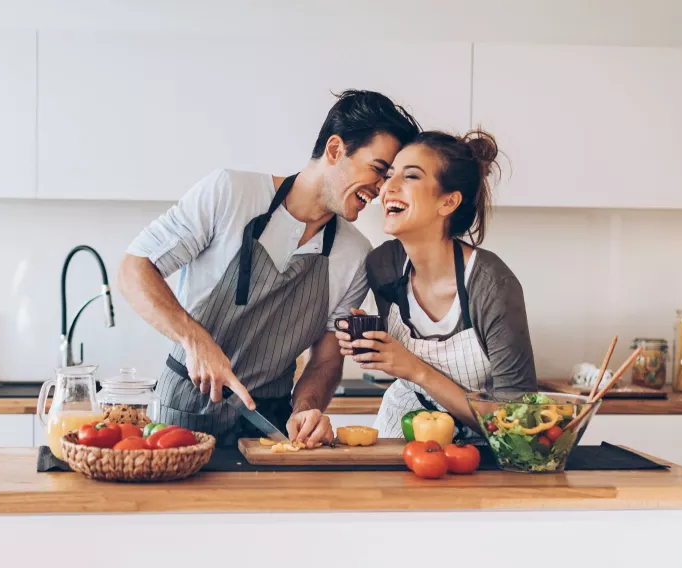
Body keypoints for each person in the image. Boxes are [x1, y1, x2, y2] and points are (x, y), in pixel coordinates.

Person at [120, 90, 421, 446]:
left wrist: (306, 410)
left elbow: (325, 361)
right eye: (378, 170)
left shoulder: (355, 254)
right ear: (336, 149)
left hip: (270, 427)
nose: (383, 189)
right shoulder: (230, 193)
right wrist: (195, 339)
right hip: (183, 416)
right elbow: (135, 268)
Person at [337, 129, 536, 437]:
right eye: (389, 175)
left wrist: (413, 368)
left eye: (411, 176)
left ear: (448, 202)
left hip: (481, 449)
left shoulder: (491, 284)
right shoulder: (383, 264)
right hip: (401, 429)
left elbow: (518, 422)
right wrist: (370, 340)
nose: (388, 187)